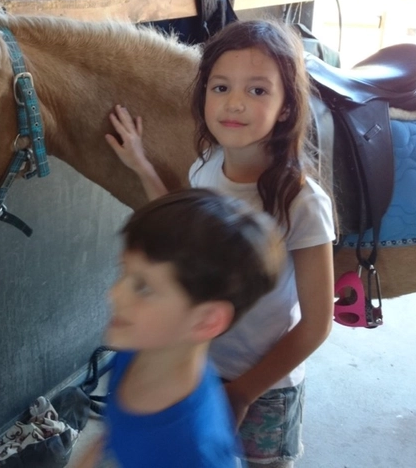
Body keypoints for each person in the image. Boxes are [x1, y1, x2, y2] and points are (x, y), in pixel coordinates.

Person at [105, 20, 335, 468]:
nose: (234, 103)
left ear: (287, 106)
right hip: (198, 362)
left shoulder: (303, 203)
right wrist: (140, 163)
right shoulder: (207, 164)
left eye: (257, 91)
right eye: (221, 87)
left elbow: (316, 324)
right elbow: (191, 231)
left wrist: (246, 391)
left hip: (266, 385)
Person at [75, 188, 285, 468]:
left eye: (143, 287)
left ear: (206, 320)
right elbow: (115, 436)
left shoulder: (196, 452)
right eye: (123, 270)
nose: (114, 293)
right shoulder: (135, 352)